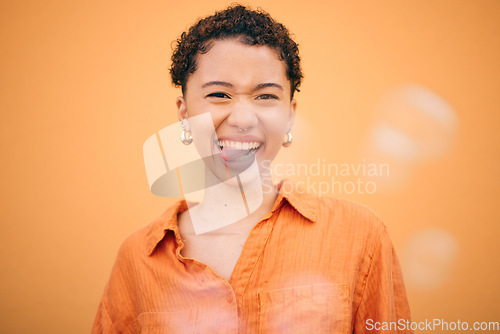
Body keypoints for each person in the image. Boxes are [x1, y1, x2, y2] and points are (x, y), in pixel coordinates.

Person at [92, 4, 412, 333]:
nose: (243, 119)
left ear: (290, 114)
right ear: (184, 114)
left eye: (265, 96)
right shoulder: (138, 258)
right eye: (218, 94)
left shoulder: (359, 236)